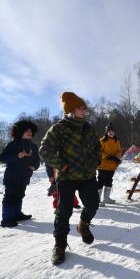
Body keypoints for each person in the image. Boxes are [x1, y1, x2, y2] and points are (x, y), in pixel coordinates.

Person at [40, 91, 100, 265]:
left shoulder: (89, 128)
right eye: (80, 107)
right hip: (66, 177)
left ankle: (83, 225)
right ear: (71, 109)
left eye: (84, 107)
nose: (84, 110)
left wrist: (96, 161)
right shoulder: (59, 128)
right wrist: (62, 165)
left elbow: (97, 147)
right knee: (64, 211)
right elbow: (44, 150)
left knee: (93, 204)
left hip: (88, 175)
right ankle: (59, 246)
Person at [0, 120, 40, 227]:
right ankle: (6, 219)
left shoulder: (33, 146)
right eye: (27, 130)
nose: (29, 132)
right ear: (20, 131)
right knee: (10, 197)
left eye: (31, 130)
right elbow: (2, 158)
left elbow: (37, 160)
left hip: (25, 176)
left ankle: (17, 215)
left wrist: (34, 166)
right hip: (12, 176)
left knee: (19, 195)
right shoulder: (12, 144)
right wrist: (17, 156)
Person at [97, 124, 122, 206]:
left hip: (112, 166)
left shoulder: (117, 141)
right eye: (109, 132)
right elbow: (99, 151)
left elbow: (119, 151)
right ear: (106, 132)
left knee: (109, 181)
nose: (111, 133)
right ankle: (97, 199)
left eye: (112, 131)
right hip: (102, 165)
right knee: (100, 181)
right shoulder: (102, 140)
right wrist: (107, 156)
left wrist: (116, 158)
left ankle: (106, 198)